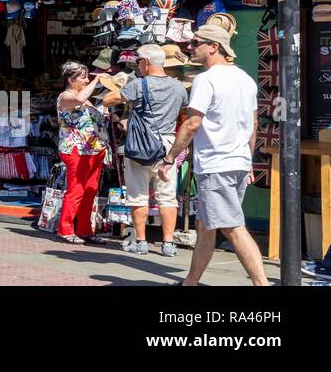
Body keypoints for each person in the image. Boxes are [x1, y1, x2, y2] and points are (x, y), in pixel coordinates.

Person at [158, 21, 268, 286]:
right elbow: (253, 125)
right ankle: (191, 282)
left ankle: (262, 284)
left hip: (216, 164)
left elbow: (193, 123)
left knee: (232, 227)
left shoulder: (206, 79)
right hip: (237, 161)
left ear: (214, 47)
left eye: (196, 43)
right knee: (206, 226)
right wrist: (248, 160)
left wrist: (170, 157)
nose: (190, 46)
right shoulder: (245, 79)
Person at [103, 44, 188, 257]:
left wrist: (118, 88)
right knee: (167, 196)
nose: (137, 65)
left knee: (138, 194)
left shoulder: (139, 85)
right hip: (167, 145)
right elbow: (184, 111)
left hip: (140, 144)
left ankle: (140, 241)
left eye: (138, 61)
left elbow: (107, 100)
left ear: (146, 62)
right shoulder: (179, 87)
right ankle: (168, 243)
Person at [56, 61, 108, 244]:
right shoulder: (66, 97)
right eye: (83, 77)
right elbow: (78, 101)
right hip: (75, 149)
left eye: (87, 77)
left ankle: (85, 229)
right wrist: (97, 79)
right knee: (76, 190)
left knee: (90, 190)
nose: (86, 81)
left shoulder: (84, 98)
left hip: (93, 149)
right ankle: (66, 229)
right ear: (71, 80)